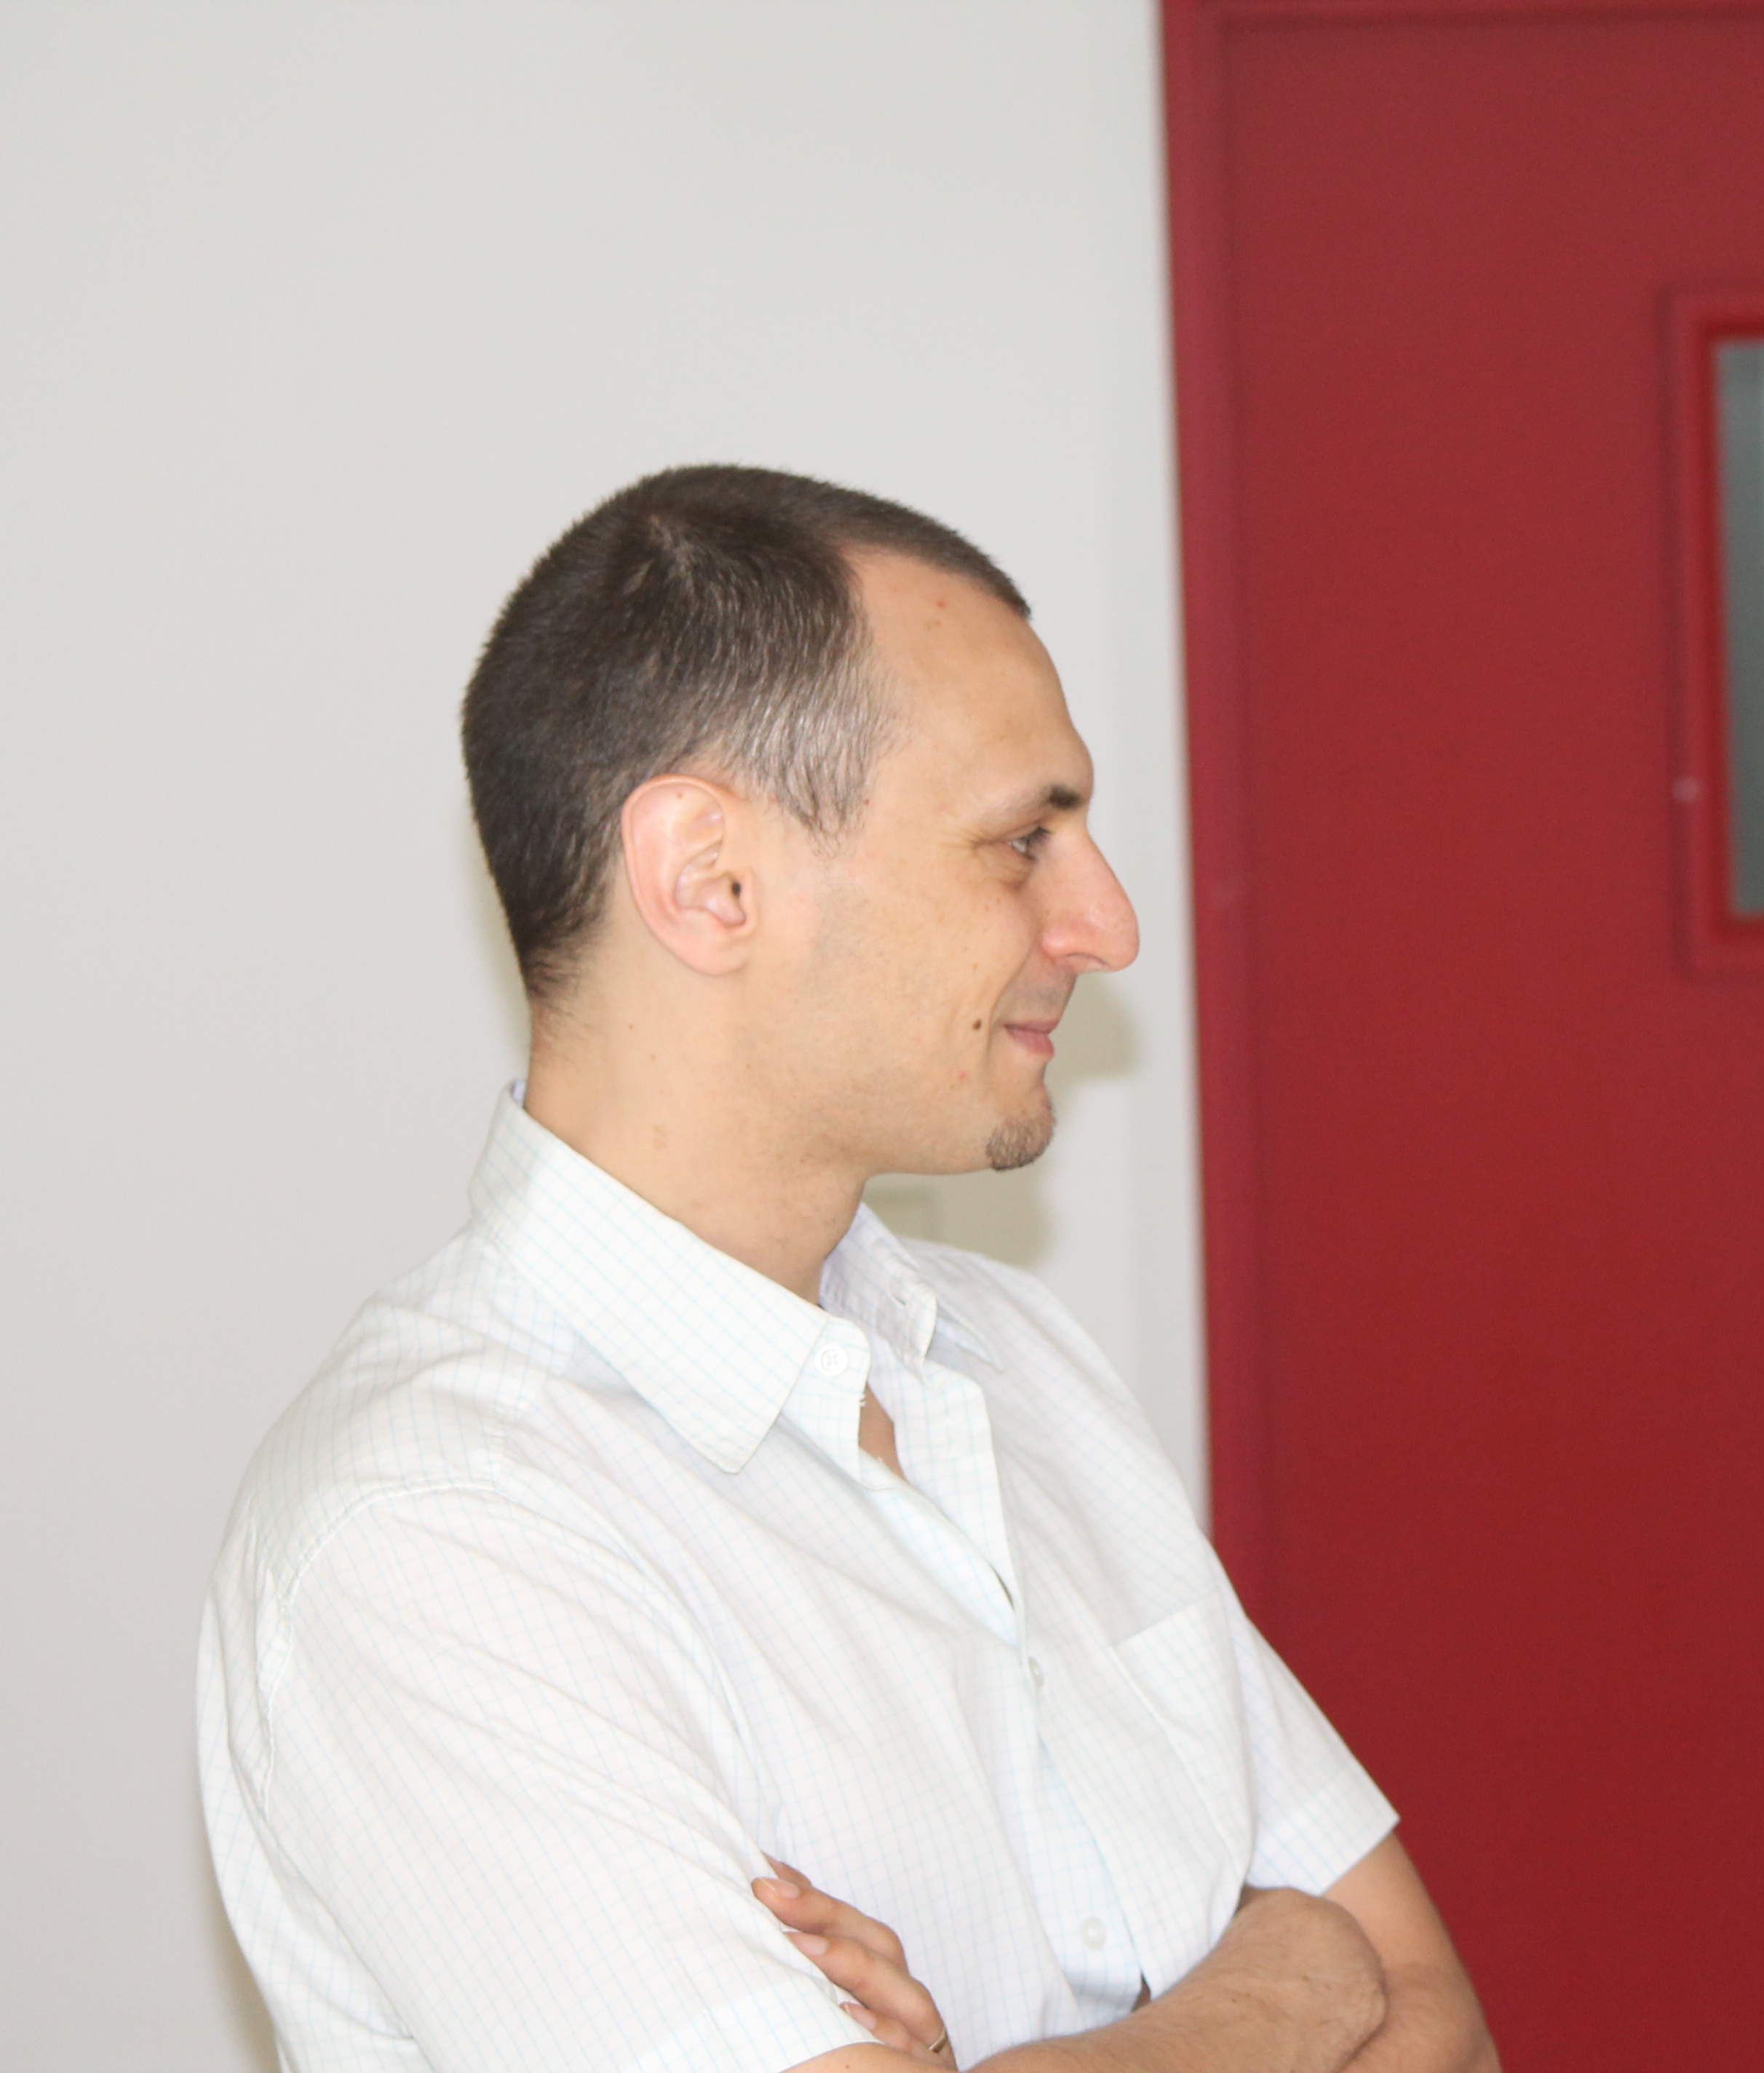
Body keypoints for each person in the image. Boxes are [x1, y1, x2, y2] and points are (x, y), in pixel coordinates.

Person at [199, 466, 1497, 2073]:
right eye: (1021, 839)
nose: (1106, 924)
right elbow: (1356, 1969)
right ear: (710, 879)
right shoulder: (435, 1532)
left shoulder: (1015, 1358)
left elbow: (1440, 2020)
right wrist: (1288, 1979)